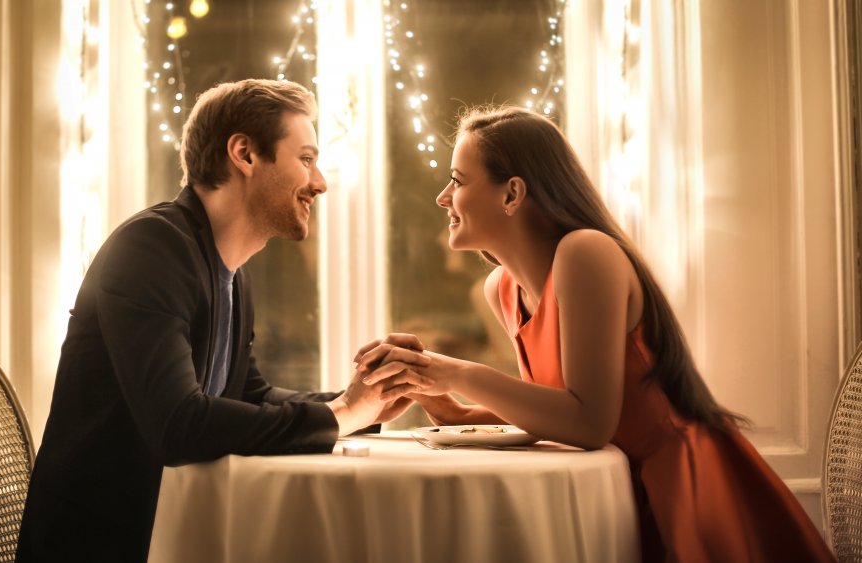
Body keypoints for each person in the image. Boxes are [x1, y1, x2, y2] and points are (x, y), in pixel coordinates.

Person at [356, 105, 835, 562]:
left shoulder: (586, 254)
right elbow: (556, 410)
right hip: (619, 487)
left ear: (512, 194)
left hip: (683, 492)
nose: (443, 197)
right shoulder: (501, 288)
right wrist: (450, 407)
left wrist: (456, 372)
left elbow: (589, 423)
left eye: (457, 180)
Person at [15, 79, 415, 561]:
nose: (320, 182)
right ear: (244, 153)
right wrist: (341, 415)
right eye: (306, 159)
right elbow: (178, 424)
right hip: (102, 544)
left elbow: (249, 396)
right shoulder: (152, 249)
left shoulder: (228, 273)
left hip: (169, 531)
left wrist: (366, 401)